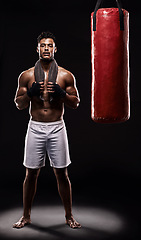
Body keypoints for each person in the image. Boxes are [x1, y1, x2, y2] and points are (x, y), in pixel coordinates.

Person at [13, 31, 81, 229]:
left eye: (49, 45)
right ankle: (26, 216)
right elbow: (19, 104)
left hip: (57, 127)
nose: (46, 48)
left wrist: (61, 95)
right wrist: (30, 94)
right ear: (37, 49)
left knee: (62, 173)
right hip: (35, 127)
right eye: (43, 45)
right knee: (31, 173)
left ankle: (69, 216)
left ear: (55, 49)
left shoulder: (65, 75)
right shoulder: (26, 75)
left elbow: (75, 103)